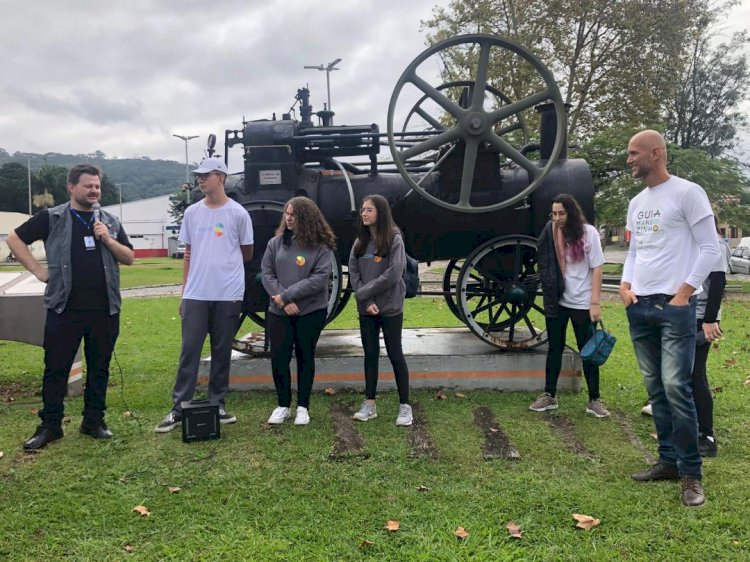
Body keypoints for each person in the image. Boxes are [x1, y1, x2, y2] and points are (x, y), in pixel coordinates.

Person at [620, 130, 720, 508]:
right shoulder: (636, 202)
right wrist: (626, 285)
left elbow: (711, 248)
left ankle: (692, 474)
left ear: (656, 153)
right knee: (656, 390)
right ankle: (668, 461)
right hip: (639, 306)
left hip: (673, 307)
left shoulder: (688, 193)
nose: (628, 159)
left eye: (634, 153)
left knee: (678, 389)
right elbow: (635, 250)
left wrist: (684, 294)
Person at [7, 164, 134, 449]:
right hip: (65, 309)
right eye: (88, 186)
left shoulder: (109, 220)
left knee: (99, 368)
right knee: (56, 369)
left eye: (97, 186)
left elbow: (129, 258)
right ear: (72, 187)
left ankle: (93, 421)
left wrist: (107, 239)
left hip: (104, 310)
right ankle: (50, 425)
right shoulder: (52, 217)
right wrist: (38, 271)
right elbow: (14, 239)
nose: (94, 191)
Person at [155, 157, 254, 433]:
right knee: (189, 351)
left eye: (205, 175)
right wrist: (184, 292)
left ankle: (218, 404)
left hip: (228, 293)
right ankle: (178, 409)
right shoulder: (192, 213)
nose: (199, 179)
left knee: (222, 351)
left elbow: (247, 252)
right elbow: (188, 253)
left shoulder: (238, 213)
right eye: (198, 175)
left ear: (220, 178)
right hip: (196, 294)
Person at [531, 193, 609, 418]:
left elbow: (597, 268)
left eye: (562, 213)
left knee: (588, 351)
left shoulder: (588, 233)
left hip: (582, 302)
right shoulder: (552, 233)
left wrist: (595, 302)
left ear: (571, 212)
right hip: (558, 299)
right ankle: (549, 395)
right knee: (554, 348)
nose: (557, 218)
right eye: (554, 214)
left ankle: (594, 399)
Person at [261, 196, 336, 426]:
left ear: (306, 217)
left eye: (293, 214)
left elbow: (319, 279)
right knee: (280, 358)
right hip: (279, 311)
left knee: (305, 357)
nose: (288, 218)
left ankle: (303, 406)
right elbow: (267, 274)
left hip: (310, 311)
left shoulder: (321, 248)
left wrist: (287, 296)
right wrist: (282, 300)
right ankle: (283, 404)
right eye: (287, 213)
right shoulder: (275, 243)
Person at [348, 194, 412, 426]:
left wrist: (364, 293)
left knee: (395, 354)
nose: (363, 214)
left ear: (380, 213)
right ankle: (370, 403)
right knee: (370, 354)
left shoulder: (394, 239)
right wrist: (365, 302)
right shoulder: (360, 242)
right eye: (362, 210)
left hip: (390, 306)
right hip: (367, 309)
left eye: (369, 210)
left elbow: (394, 274)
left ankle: (405, 405)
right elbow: (354, 273)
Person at [692, 215, 731, 457]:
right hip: (687, 314)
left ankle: (707, 436)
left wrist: (710, 320)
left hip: (701, 317)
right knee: (687, 373)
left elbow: (718, 283)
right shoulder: (696, 243)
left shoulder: (715, 244)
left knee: (695, 375)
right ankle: (692, 427)